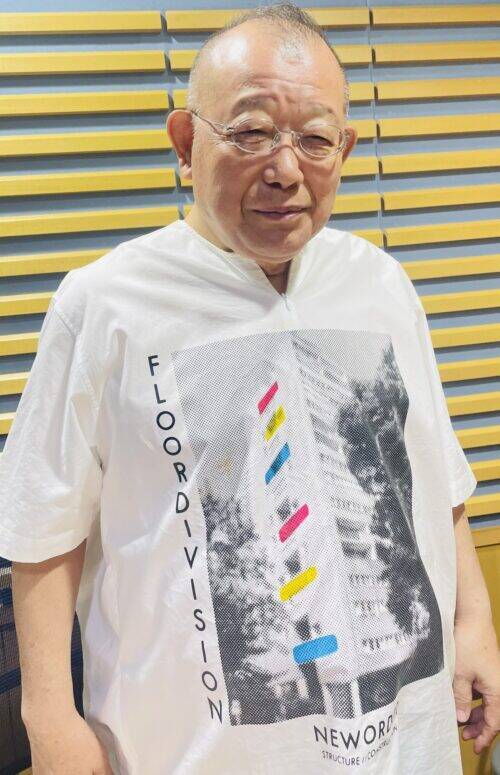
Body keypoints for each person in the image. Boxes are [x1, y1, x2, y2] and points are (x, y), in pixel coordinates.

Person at [0, 3, 498, 774]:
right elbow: (42, 522)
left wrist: (474, 621)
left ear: (345, 150)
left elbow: (434, 475)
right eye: (252, 132)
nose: (286, 169)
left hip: (404, 737)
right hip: (194, 749)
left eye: (315, 139)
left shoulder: (381, 284)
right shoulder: (105, 304)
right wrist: (49, 716)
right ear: (185, 141)